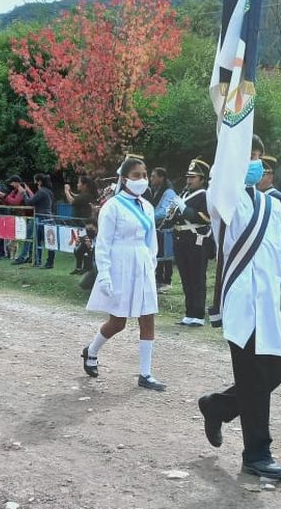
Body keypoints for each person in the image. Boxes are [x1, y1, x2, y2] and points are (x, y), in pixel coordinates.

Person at [198, 134, 281, 480]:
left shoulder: (272, 205)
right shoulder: (224, 199)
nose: (254, 162)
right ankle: (257, 454)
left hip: (267, 304)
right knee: (252, 377)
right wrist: (226, 148)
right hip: (239, 303)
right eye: (246, 156)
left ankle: (216, 405)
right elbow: (218, 184)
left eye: (257, 157)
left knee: (274, 373)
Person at [81, 156, 164, 391]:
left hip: (142, 263)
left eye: (145, 175)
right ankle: (92, 350)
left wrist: (152, 263)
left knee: (147, 316)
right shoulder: (112, 207)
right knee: (118, 322)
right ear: (125, 178)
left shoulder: (147, 206)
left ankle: (145, 374)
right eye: (136, 175)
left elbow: (152, 241)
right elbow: (103, 243)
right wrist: (104, 274)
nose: (142, 180)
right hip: (120, 264)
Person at [171, 158, 214, 326]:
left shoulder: (204, 195)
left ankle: (198, 315)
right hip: (182, 239)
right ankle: (189, 313)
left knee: (197, 277)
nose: (188, 180)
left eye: (193, 177)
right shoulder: (185, 194)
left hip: (197, 240)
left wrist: (183, 208)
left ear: (202, 180)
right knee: (186, 277)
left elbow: (205, 218)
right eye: (188, 177)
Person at [148, 167, 178, 288]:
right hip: (157, 228)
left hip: (165, 228)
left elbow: (166, 211)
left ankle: (166, 280)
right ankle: (158, 278)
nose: (151, 179)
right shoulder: (155, 191)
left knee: (166, 256)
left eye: (153, 176)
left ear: (161, 178)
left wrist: (148, 216)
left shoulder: (169, 192)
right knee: (158, 254)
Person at [29, 174, 56, 269]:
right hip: (49, 217)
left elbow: (30, 202)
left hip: (41, 218)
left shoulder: (41, 192)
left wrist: (24, 193)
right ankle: (49, 261)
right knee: (50, 241)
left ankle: (39, 260)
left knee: (39, 240)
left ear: (39, 182)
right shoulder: (49, 192)